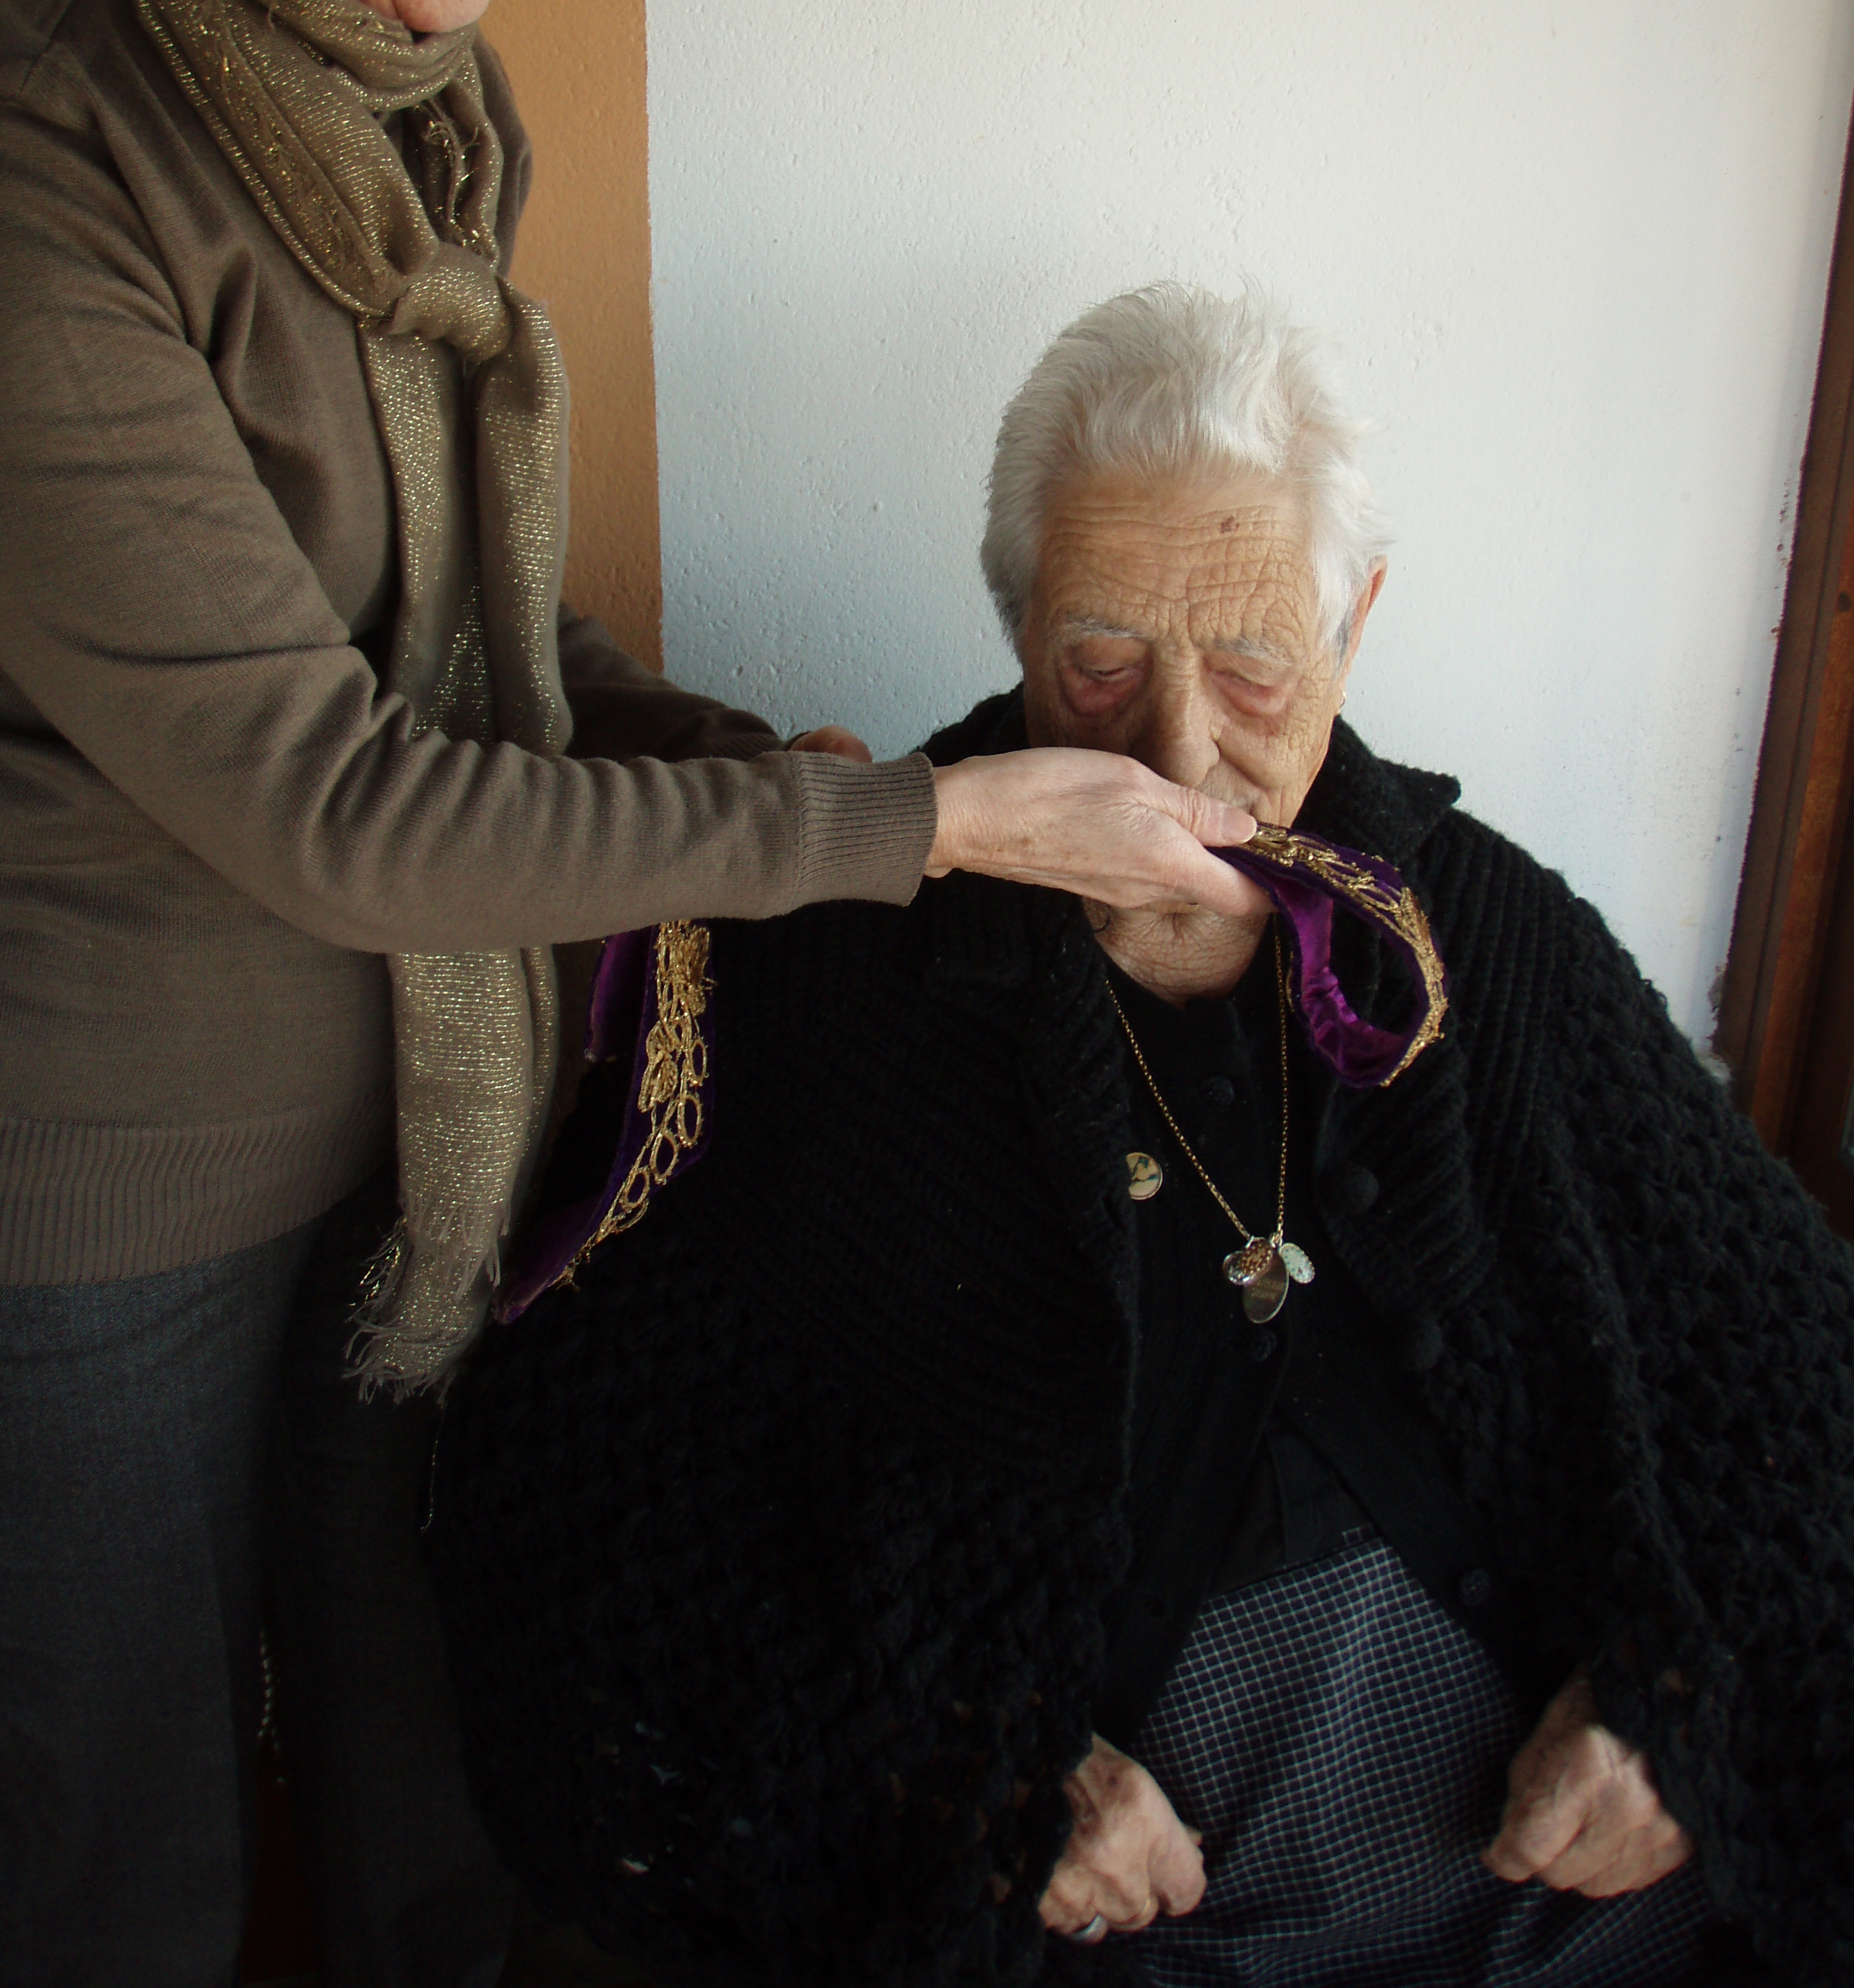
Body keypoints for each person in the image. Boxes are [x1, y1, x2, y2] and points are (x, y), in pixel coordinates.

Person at [0, 0, 1266, 1977]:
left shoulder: (393, 90)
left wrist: (698, 739)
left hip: (414, 1133)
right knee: (114, 1868)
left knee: (436, 1787)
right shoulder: (54, 170)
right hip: (106, 1194)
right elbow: (340, 796)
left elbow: (460, 635)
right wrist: (918, 821)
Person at [430, 285, 1854, 1988]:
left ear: (1359, 627)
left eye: (1255, 664)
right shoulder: (834, 980)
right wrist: (957, 1781)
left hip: (1596, 1920)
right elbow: (579, 1530)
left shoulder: (1482, 938)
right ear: (1018, 624)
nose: (1179, 752)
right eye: (1099, 660)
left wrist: (1692, 1701)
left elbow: (1801, 1385)